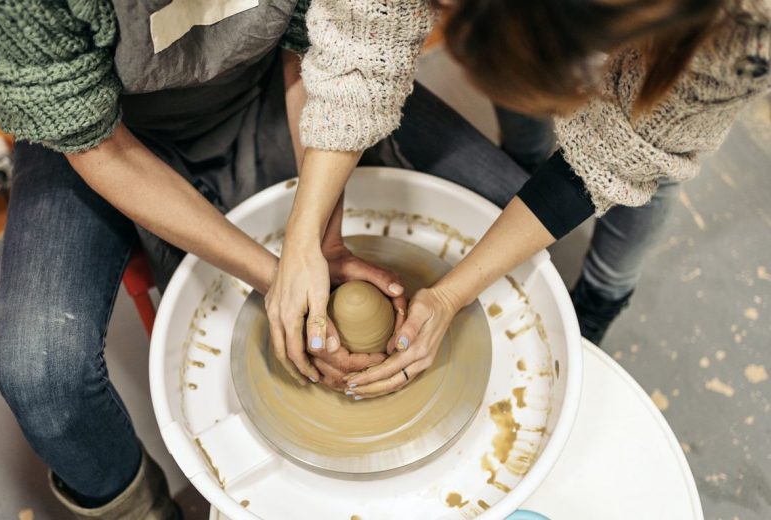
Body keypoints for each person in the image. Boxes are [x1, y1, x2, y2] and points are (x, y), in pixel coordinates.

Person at [0, 0, 548, 516]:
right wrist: (277, 277)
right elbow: (100, 150)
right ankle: (145, 511)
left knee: (504, 203)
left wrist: (322, 240)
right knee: (41, 376)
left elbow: (322, 47)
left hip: (281, 80)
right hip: (100, 135)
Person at [271, 0, 771, 398]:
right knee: (521, 107)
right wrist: (306, 238)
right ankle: (526, 160)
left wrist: (451, 296)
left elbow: (618, 154)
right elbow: (363, 40)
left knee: (646, 171)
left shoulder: (742, 33)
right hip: (539, 25)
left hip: (672, 70)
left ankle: (604, 293)